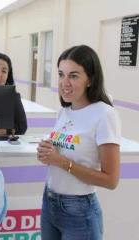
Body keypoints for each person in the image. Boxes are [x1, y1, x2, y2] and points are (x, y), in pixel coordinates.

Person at [36, 45, 121, 240]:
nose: (64, 83)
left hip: (79, 211)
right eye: (61, 74)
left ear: (90, 79)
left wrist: (61, 161)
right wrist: (47, 153)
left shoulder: (105, 114)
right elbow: (62, 154)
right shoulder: (64, 111)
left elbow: (111, 180)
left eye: (73, 76)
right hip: (50, 202)